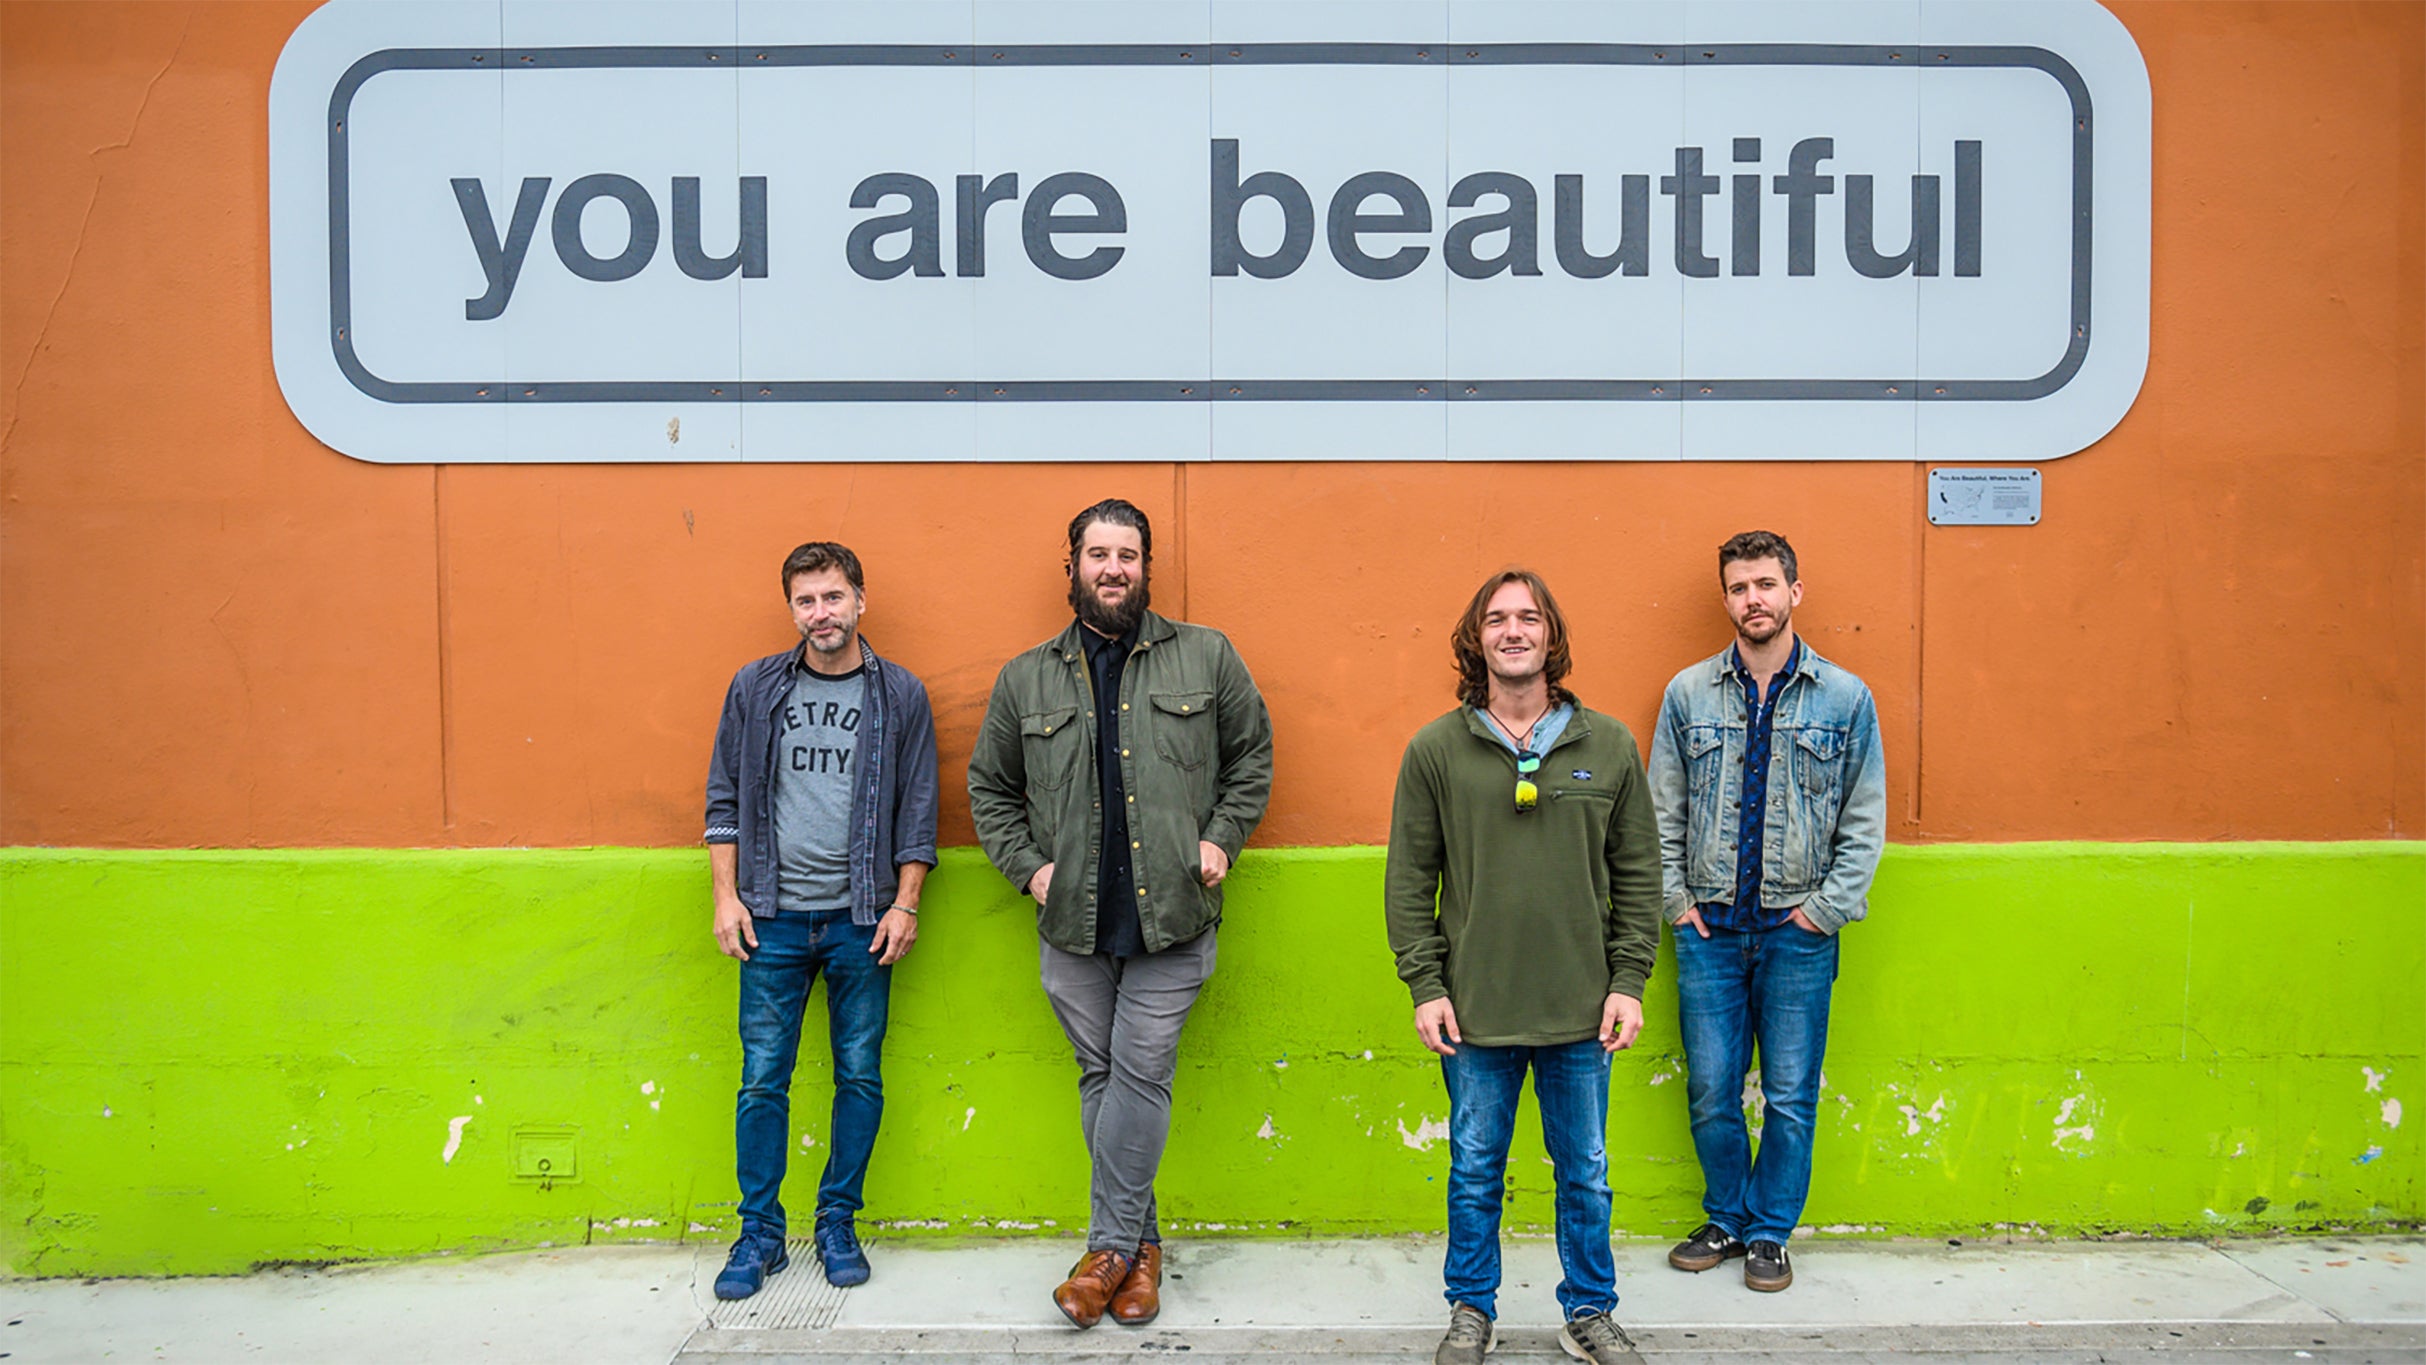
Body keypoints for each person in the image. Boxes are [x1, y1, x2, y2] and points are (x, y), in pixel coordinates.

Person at [967, 498, 1274, 1330]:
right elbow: (988, 788)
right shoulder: (1025, 677)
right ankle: (1143, 1254)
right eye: (1098, 553)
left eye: (1128, 554)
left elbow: (1253, 755)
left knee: (1136, 1072)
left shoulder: (1206, 657)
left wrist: (1222, 837)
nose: (1113, 568)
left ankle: (1103, 1252)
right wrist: (1029, 871)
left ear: (1146, 566)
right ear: (1069, 565)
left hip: (1174, 916)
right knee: (1100, 1078)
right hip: (1070, 921)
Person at [1385, 568, 1660, 1365]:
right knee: (1474, 1169)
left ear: (1551, 636)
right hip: (1475, 1010)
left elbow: (1639, 873)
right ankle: (1471, 1309)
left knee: (1586, 1173)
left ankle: (1590, 1310)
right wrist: (1426, 987)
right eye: (1497, 618)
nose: (1513, 630)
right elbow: (1409, 879)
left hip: (1582, 1008)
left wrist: (1628, 981)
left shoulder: (1605, 745)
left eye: (1529, 617)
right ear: (1477, 638)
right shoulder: (1436, 749)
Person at [1647, 530, 1885, 1294]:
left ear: (1794, 592)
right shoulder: (1687, 694)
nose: (1754, 599)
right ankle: (1724, 1214)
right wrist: (1678, 906)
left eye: (1766, 584)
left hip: (1798, 934)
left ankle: (1770, 1231)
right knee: (1711, 1087)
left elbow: (1864, 817)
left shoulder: (1846, 698)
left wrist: (1823, 912)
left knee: (1788, 1092)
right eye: (1740, 587)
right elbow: (1661, 811)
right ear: (1725, 599)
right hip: (1710, 929)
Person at [702, 541, 939, 1300]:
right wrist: (726, 897)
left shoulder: (900, 694)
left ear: (860, 600)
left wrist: (905, 902)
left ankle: (837, 1219)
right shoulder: (755, 686)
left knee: (859, 1074)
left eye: (832, 597)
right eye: (806, 600)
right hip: (769, 918)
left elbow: (919, 810)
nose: (820, 613)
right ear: (791, 608)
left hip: (859, 919)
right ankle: (760, 1234)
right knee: (761, 1079)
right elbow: (723, 801)